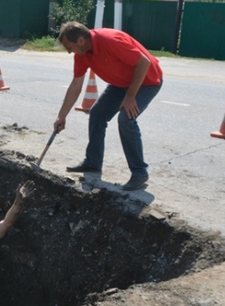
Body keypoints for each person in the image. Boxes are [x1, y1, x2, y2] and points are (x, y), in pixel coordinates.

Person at [54, 21, 163, 191]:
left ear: (81, 40)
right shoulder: (82, 54)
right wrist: (62, 115)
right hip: (121, 84)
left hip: (147, 81)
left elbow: (144, 62)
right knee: (97, 114)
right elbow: (76, 85)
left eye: (69, 47)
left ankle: (140, 172)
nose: (69, 51)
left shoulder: (109, 40)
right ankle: (93, 163)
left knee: (126, 119)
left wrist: (130, 96)